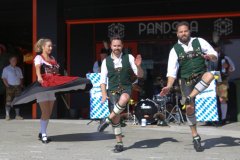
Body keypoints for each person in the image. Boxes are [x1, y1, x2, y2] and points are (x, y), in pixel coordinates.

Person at [11, 38, 91, 144]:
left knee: (49, 113)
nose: (50, 48)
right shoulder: (39, 57)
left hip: (52, 85)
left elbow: (56, 72)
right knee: (45, 112)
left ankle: (41, 132)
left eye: (51, 46)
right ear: (43, 47)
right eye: (48, 46)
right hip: (44, 86)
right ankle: (44, 134)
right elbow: (38, 69)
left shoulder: (52, 58)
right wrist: (39, 77)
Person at [160, 22, 218, 152]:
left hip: (201, 74)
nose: (183, 33)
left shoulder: (199, 41)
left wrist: (210, 56)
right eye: (181, 32)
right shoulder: (174, 49)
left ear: (189, 31)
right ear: (177, 34)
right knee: (190, 108)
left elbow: (214, 56)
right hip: (186, 80)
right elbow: (171, 71)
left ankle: (189, 97)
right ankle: (195, 136)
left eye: (185, 31)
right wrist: (169, 86)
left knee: (209, 75)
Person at [97, 35, 144, 153]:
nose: (116, 47)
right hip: (112, 91)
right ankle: (119, 143)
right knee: (116, 119)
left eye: (119, 45)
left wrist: (138, 66)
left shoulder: (129, 57)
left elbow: (140, 75)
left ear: (122, 46)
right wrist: (103, 94)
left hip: (126, 88)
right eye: (114, 45)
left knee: (124, 98)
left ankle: (107, 120)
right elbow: (102, 81)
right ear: (111, 46)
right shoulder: (105, 62)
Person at [211, 44, 235, 124]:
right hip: (211, 78)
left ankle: (223, 118)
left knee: (222, 99)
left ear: (218, 48)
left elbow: (232, 68)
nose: (214, 49)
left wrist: (227, 72)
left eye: (215, 47)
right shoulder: (209, 57)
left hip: (221, 78)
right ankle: (213, 118)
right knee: (212, 99)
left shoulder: (224, 58)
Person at [2, 55, 24, 120]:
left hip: (18, 87)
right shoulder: (6, 69)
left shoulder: (18, 69)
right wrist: (7, 85)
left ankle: (17, 116)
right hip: (10, 86)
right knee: (8, 101)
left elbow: (21, 78)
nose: (14, 61)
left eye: (15, 60)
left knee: (17, 101)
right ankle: (7, 115)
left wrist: (21, 84)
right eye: (13, 60)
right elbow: (4, 78)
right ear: (10, 61)